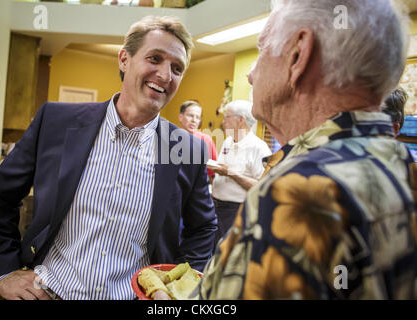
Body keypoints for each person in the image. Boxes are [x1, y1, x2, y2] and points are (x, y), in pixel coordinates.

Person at [0, 15, 217, 300]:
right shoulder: (56, 121)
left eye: (177, 68)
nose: (166, 75)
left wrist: (177, 289)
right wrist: (4, 271)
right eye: (155, 59)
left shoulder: (183, 147)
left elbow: (203, 227)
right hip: (49, 292)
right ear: (124, 60)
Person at [198, 0, 417, 299]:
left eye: (263, 49)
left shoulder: (297, 192)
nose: (250, 76)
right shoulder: (403, 165)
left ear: (298, 56)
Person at [207, 100, 271, 246]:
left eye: (226, 117)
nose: (223, 122)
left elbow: (262, 186)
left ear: (241, 119)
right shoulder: (228, 142)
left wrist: (230, 173)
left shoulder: (259, 148)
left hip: (236, 211)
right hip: (216, 208)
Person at [178, 100, 217, 182]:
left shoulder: (206, 140)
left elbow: (213, 173)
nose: (194, 120)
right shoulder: (170, 138)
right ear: (181, 117)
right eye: (190, 115)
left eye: (198, 117)